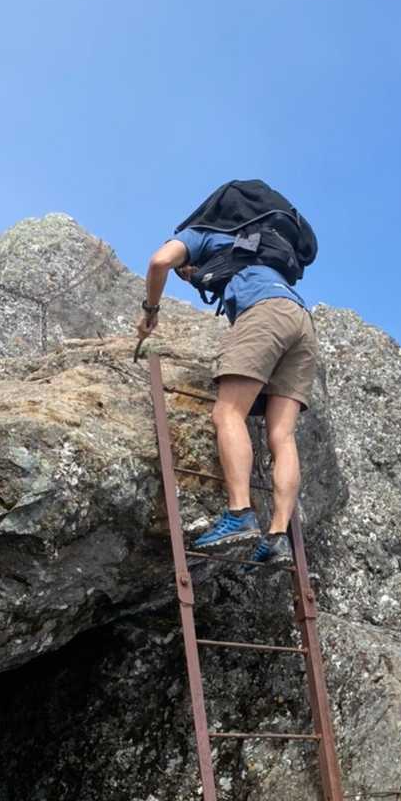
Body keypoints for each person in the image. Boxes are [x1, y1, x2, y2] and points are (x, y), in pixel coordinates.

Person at [136, 222, 317, 567]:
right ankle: (278, 537)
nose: (185, 275)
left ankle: (239, 514)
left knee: (228, 413)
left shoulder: (198, 234)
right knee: (282, 435)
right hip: (301, 322)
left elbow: (159, 262)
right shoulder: (249, 244)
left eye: (185, 270)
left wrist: (150, 311)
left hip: (264, 313)